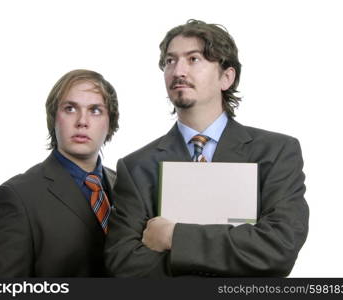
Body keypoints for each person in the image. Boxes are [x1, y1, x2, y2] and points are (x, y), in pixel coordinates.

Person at [104, 20, 309, 277]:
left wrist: (174, 236)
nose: (178, 70)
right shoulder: (136, 167)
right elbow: (124, 263)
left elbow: (279, 247)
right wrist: (234, 257)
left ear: (226, 77)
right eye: (170, 61)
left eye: (194, 59)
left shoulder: (277, 152)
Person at [0, 69, 119, 277]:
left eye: (95, 110)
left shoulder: (127, 185)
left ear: (110, 123)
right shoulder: (16, 197)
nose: (82, 121)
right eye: (70, 109)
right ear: (54, 118)